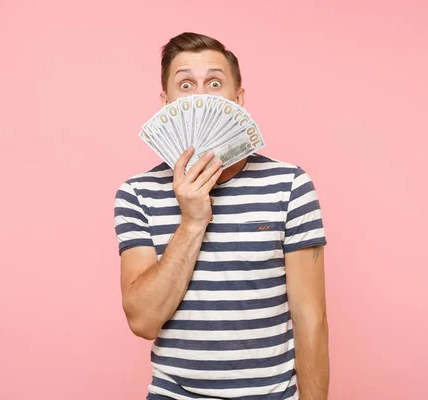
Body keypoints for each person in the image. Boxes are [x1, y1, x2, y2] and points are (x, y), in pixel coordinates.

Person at [114, 32, 329, 400]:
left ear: (238, 99)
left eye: (214, 82)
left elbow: (310, 318)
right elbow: (144, 321)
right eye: (186, 85)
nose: (200, 96)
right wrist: (192, 220)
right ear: (166, 104)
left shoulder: (290, 185)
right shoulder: (137, 193)